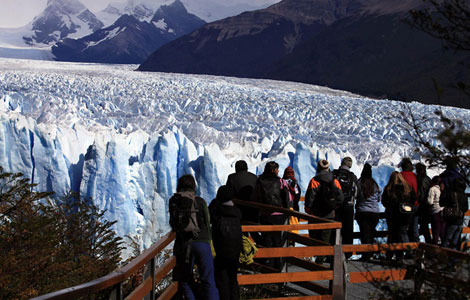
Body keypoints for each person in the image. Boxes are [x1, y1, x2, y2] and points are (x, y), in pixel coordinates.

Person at [169, 175, 219, 300]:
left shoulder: (174, 201)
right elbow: (207, 223)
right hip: (202, 243)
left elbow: (173, 223)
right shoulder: (201, 201)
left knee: (185, 279)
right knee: (208, 279)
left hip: (185, 244)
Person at [252, 161, 290, 269]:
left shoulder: (260, 181)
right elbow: (287, 198)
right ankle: (277, 265)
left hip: (264, 214)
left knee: (267, 240)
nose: (278, 171)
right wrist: (287, 212)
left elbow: (255, 197)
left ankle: (267, 265)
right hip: (278, 215)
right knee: (277, 241)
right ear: (274, 170)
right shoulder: (281, 181)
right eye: (277, 169)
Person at [305, 159, 344, 264]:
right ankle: (322, 258)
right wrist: (333, 207)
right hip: (329, 215)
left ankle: (318, 258)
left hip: (315, 215)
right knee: (325, 238)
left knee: (314, 237)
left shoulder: (314, 181)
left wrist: (309, 211)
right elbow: (341, 198)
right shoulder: (334, 181)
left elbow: (309, 199)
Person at [209, 186, 242, 300]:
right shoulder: (237, 211)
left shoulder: (217, 211)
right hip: (235, 251)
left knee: (222, 281)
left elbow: (209, 218)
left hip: (222, 252)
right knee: (233, 279)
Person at [382, 171, 416, 260]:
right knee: (403, 233)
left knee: (392, 234)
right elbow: (414, 198)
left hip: (392, 216)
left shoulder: (389, 189)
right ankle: (408, 251)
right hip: (405, 215)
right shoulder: (408, 188)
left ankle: (391, 254)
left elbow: (384, 201)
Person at [333, 157, 363, 249]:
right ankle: (347, 252)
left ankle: (332, 253)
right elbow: (358, 191)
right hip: (348, 206)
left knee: (335, 230)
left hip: (335, 206)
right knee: (348, 230)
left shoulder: (334, 174)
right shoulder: (352, 177)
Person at [355, 163, 381, 261]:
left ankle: (366, 255)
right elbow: (379, 198)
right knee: (371, 233)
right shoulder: (375, 184)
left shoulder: (359, 183)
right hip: (374, 213)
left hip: (362, 212)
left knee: (364, 234)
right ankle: (371, 254)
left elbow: (355, 195)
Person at [440, 178, 468, 250]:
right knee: (454, 243)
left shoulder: (451, 194)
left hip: (452, 220)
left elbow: (441, 203)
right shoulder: (464, 195)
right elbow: (466, 208)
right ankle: (454, 259)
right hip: (460, 221)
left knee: (446, 241)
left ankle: (443, 259)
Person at [399, 158, 419, 243]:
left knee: (403, 229)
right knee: (414, 229)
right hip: (415, 205)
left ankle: (407, 249)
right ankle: (416, 248)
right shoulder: (415, 176)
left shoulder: (400, 176)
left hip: (403, 206)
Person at [415, 163, 432, 243]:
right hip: (427, 207)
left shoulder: (422, 180)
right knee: (424, 228)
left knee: (423, 228)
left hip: (423, 207)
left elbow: (421, 194)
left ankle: (424, 246)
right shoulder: (428, 179)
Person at [427, 176, 445, 245]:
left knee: (435, 232)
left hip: (435, 211)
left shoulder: (432, 189)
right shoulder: (442, 188)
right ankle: (445, 248)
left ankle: (434, 249)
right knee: (442, 232)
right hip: (443, 211)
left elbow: (430, 202)